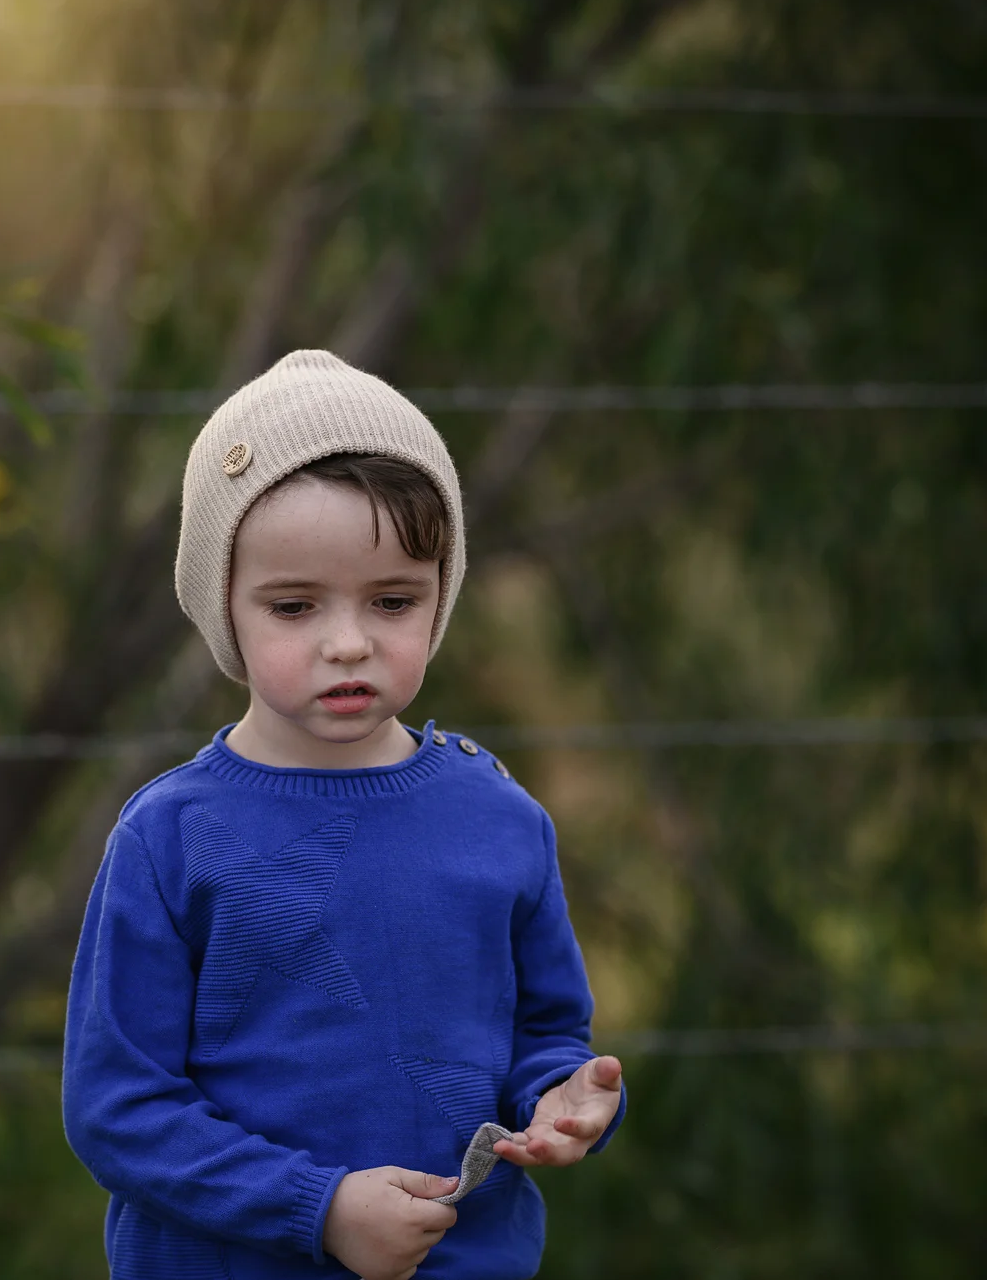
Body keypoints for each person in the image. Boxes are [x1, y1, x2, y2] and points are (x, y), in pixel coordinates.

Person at [63, 349, 626, 1279]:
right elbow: (118, 1106)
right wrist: (315, 1208)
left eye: (394, 599)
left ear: (440, 597)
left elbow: (545, 1035)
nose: (349, 640)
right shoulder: (168, 840)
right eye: (293, 605)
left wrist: (564, 1101)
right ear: (225, 609)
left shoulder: (500, 818)